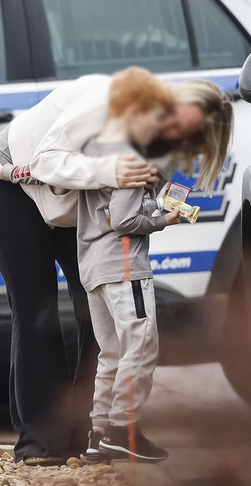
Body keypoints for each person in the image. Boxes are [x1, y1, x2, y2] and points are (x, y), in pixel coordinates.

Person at [0, 68, 232, 465]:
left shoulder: (154, 143)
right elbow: (47, 159)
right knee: (36, 311)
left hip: (75, 204)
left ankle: (98, 432)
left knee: (98, 311)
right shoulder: (109, 99)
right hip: (12, 186)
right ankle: (43, 441)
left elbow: (128, 202)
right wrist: (110, 172)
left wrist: (158, 203)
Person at [75, 67, 180, 464]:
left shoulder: (97, 149)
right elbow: (123, 220)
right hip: (123, 266)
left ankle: (98, 435)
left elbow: (110, 210)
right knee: (141, 345)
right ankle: (123, 430)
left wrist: (152, 204)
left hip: (93, 265)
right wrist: (163, 219)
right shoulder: (131, 157)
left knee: (112, 353)